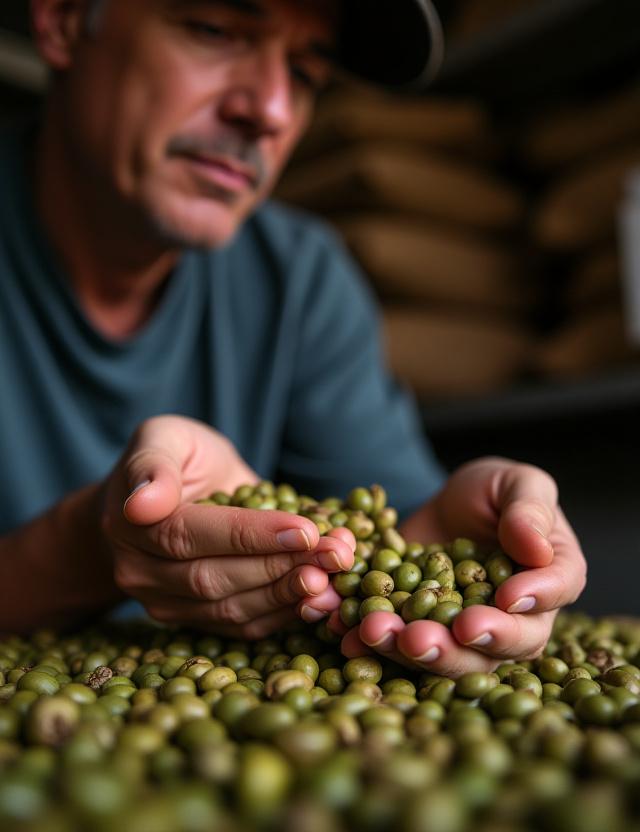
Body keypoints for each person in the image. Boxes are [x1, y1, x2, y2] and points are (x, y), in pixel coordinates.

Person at [0, 0, 586, 677]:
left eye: (305, 75)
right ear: (66, 20)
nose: (271, 110)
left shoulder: (301, 279)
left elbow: (393, 543)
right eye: (214, 30)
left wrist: (474, 544)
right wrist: (90, 545)